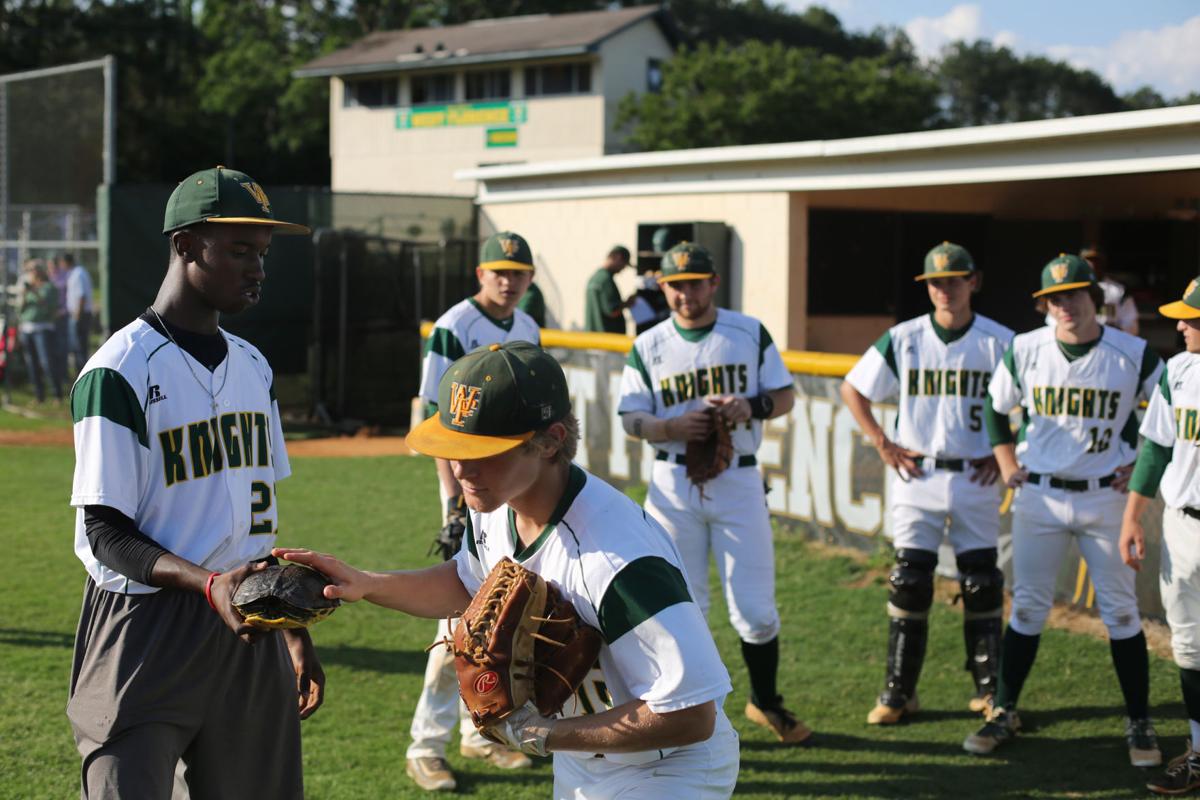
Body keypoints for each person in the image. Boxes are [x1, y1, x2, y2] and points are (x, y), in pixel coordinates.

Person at [277, 341, 740, 799]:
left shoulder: (620, 560)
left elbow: (692, 714)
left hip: (671, 767)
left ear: (550, 441)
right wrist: (366, 583)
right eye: (453, 448)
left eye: (483, 450)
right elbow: (466, 581)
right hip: (587, 756)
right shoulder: (494, 505)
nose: (461, 468)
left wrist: (542, 734)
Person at [66, 166, 323, 798]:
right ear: (184, 245)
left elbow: (248, 522)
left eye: (261, 252)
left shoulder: (253, 367)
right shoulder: (118, 371)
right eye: (238, 250)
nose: (257, 268)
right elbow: (103, 531)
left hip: (246, 622)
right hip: (144, 627)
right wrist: (207, 585)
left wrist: (290, 627)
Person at [963, 253, 1162, 767]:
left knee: (1119, 611)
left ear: (1094, 295)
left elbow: (1164, 416)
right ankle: (1004, 709)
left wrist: (1139, 462)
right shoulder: (1025, 347)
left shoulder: (1133, 352)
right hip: (1041, 495)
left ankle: (1140, 720)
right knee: (1028, 606)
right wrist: (1006, 459)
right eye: (1054, 297)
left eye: (1074, 293)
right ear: (1044, 303)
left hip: (1104, 495)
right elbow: (993, 404)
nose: (1064, 305)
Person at [617, 241, 810, 744]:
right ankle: (694, 712)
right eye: (675, 285)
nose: (685, 294)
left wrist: (752, 406)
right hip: (672, 481)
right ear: (664, 287)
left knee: (756, 608)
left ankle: (766, 701)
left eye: (693, 283)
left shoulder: (747, 332)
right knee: (685, 605)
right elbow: (630, 417)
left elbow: (785, 395)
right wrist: (669, 425)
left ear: (713, 283)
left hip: (739, 476)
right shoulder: (649, 343)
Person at [841, 242, 1013, 725]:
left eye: (954, 280)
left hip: (975, 473)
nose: (945, 290)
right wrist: (882, 442)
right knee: (909, 581)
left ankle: (989, 688)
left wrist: (1006, 453)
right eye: (936, 282)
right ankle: (898, 692)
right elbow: (853, 388)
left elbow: (1034, 402)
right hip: (917, 473)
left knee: (981, 582)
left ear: (973, 282)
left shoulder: (1000, 341)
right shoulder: (905, 337)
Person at [409, 230, 542, 790]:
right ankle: (425, 746)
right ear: (480, 274)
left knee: (502, 623)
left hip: (512, 491)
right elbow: (434, 416)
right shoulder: (454, 326)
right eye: (499, 271)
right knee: (457, 627)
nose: (508, 281)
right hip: (471, 493)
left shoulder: (530, 328)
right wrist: (452, 504)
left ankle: (477, 733)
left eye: (518, 273)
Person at [1120, 277, 1200, 794]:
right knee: (1190, 647)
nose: (1180, 325)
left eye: (1191, 316)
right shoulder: (1179, 370)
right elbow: (1155, 450)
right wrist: (1132, 516)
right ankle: (1199, 753)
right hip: (1184, 523)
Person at [1044, 246, 1138, 335]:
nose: (1092, 264)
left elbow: (1131, 324)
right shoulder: (1068, 286)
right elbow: (1052, 321)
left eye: (1096, 260)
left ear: (1103, 262)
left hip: (1111, 339)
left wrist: (1113, 334)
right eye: (1088, 260)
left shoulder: (1119, 290)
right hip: (1075, 337)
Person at [17, 258, 63, 403]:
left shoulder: (49, 287)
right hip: (27, 328)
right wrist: (24, 294)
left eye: (34, 269)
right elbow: (20, 309)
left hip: (43, 329)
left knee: (46, 362)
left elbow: (49, 308)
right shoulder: (28, 288)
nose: (32, 272)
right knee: (32, 363)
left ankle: (57, 395)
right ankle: (39, 396)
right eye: (30, 270)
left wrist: (35, 292)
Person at [584, 245, 633, 334]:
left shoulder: (595, 277)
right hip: (607, 340)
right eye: (624, 264)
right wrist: (628, 303)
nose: (623, 268)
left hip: (592, 339)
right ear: (618, 257)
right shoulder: (606, 279)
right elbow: (612, 310)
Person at [63, 253, 95, 375]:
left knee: (79, 347)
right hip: (78, 314)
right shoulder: (76, 273)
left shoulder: (78, 274)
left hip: (80, 315)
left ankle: (81, 373)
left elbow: (81, 296)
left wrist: (77, 315)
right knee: (78, 346)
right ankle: (80, 372)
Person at [48, 254, 70, 379]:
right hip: (50, 317)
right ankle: (55, 374)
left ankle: (64, 374)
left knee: (62, 346)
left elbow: (68, 296)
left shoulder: (64, 277)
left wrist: (62, 311)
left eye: (53, 265)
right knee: (52, 347)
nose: (51, 268)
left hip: (62, 315)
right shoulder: (48, 277)